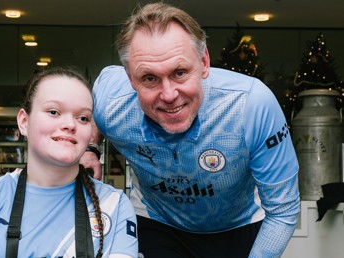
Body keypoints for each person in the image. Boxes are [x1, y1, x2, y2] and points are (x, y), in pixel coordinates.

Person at [81, 2, 300, 258]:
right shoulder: (112, 103)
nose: (169, 95)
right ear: (130, 78)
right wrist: (90, 149)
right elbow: (92, 106)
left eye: (180, 72)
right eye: (149, 78)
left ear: (204, 62)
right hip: (158, 221)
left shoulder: (250, 105)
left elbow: (283, 209)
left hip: (239, 223)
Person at [0, 67, 138, 258]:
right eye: (54, 112)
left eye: (83, 118)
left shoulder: (115, 205)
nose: (70, 125)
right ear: (23, 122)